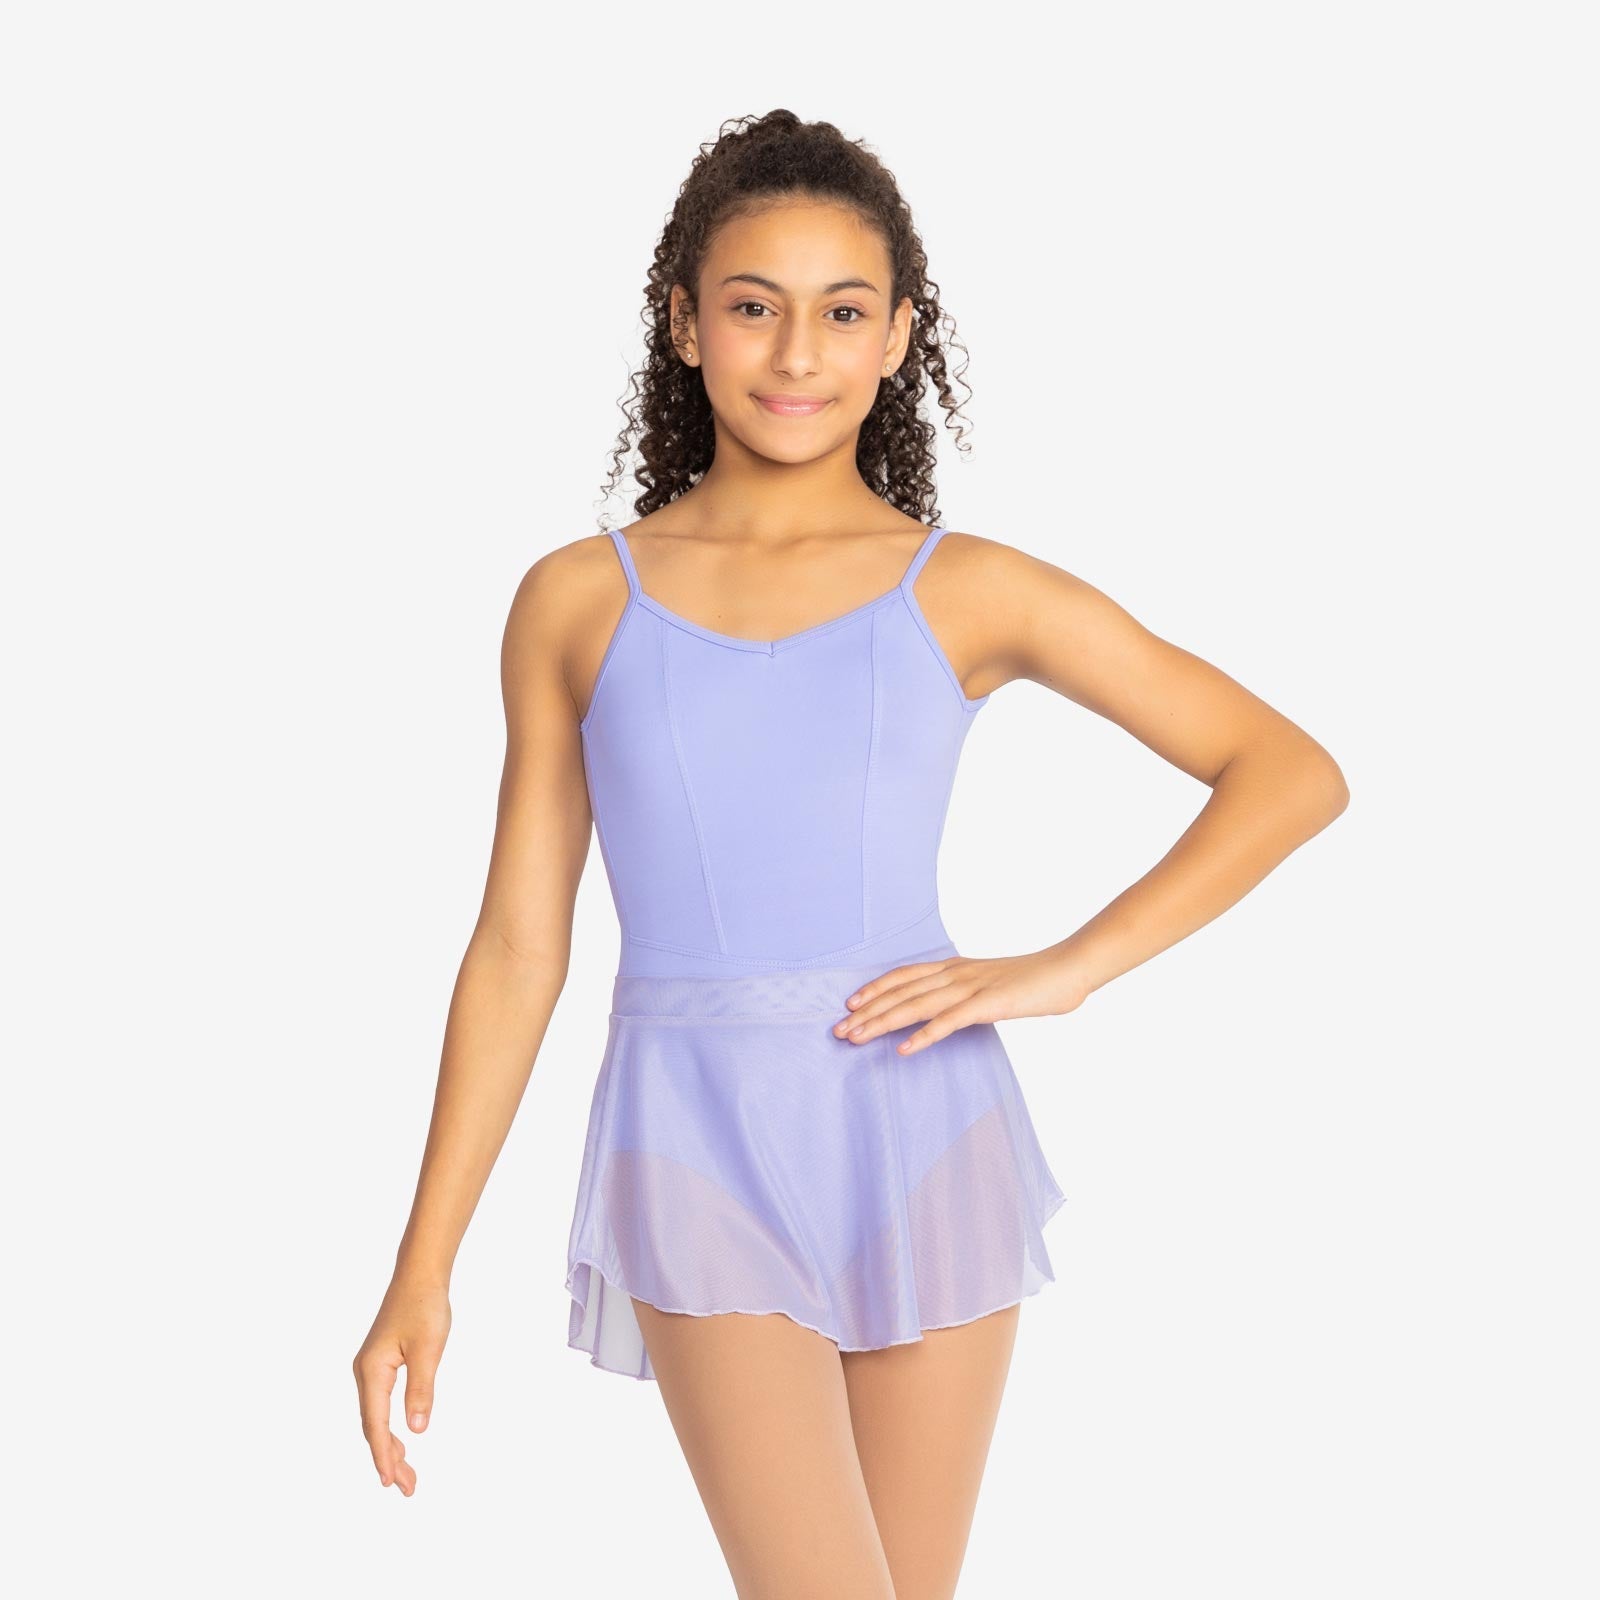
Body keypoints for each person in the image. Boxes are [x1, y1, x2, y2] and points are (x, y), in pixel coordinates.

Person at [353, 108, 1349, 1596]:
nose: (796, 353)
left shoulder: (969, 589)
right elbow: (518, 944)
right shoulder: (576, 600)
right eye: (754, 306)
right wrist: (422, 1263)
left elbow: (1286, 771)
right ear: (684, 323)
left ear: (896, 338)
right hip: (692, 1132)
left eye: (842, 312)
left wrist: (1069, 969)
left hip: (925, 1123)